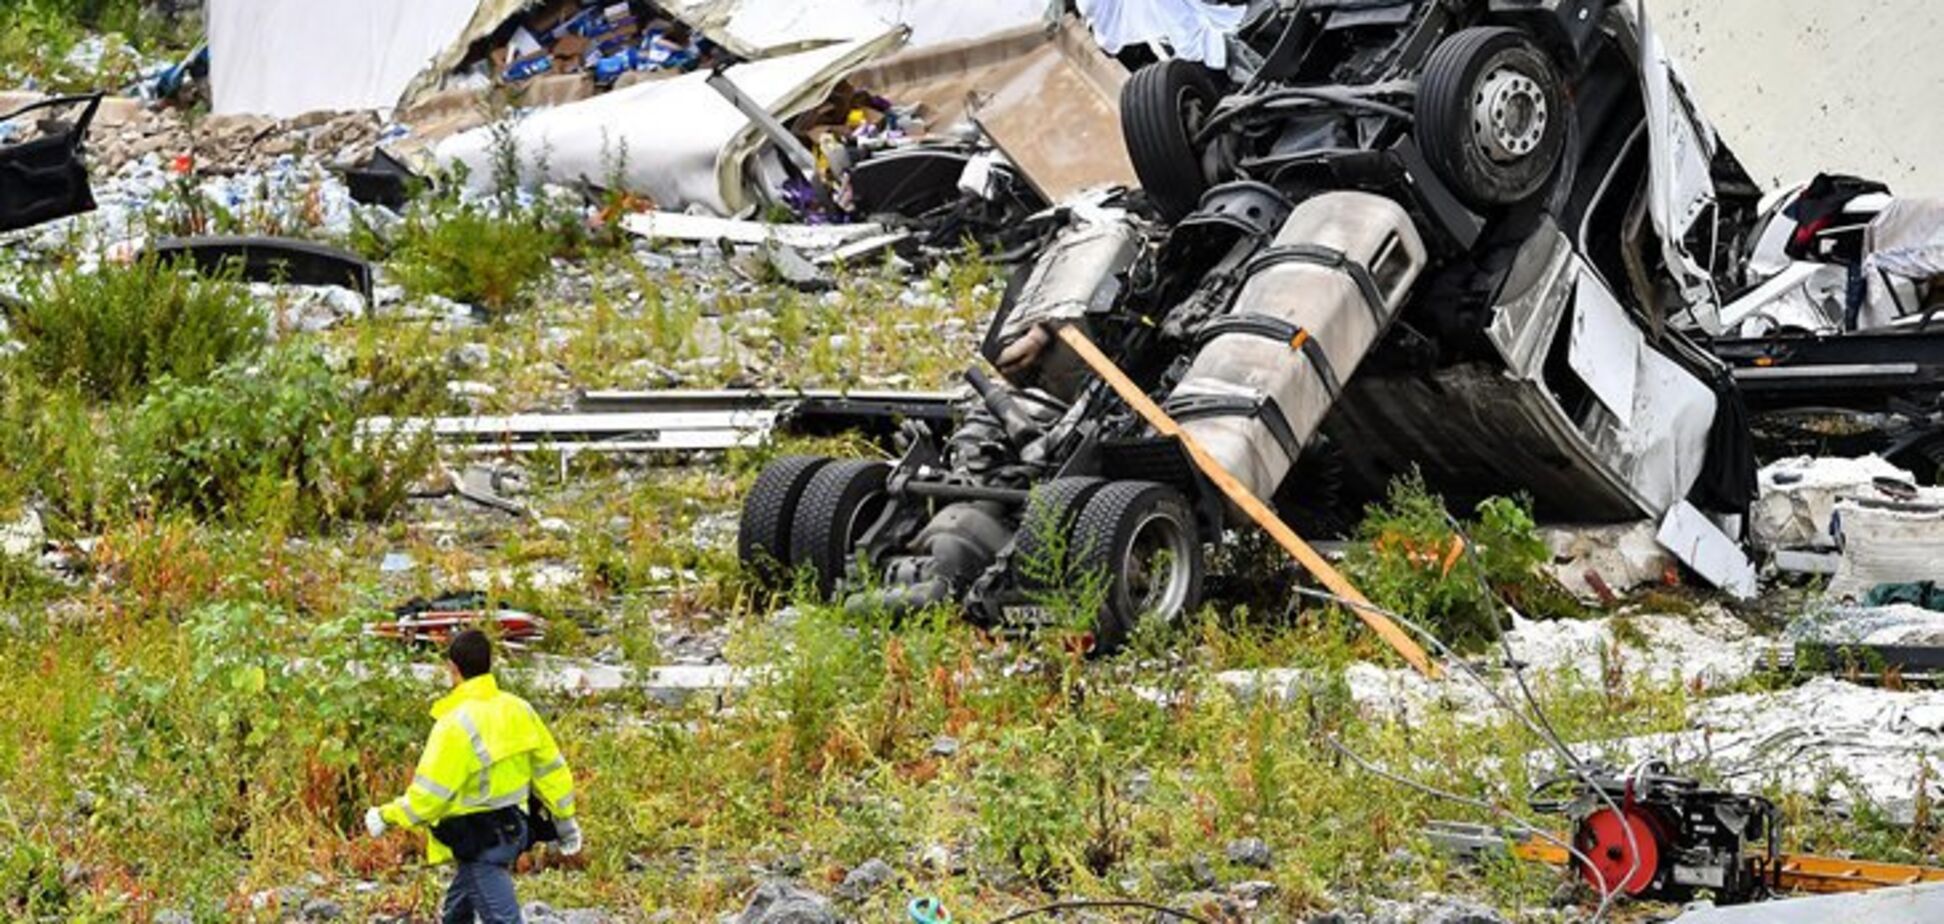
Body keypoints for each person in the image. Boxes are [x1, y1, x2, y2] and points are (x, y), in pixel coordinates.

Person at [364, 629, 582, 924]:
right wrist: (565, 821)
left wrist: (386, 816)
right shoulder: (520, 709)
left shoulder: (454, 725)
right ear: (489, 663)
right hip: (517, 827)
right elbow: (552, 771)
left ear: (452, 669)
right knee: (458, 912)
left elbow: (428, 798)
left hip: (480, 842)